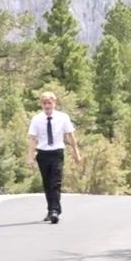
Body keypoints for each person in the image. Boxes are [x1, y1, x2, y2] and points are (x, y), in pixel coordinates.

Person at [27, 92, 82, 223]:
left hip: (57, 152)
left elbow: (70, 135)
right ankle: (50, 209)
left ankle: (55, 211)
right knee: (47, 183)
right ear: (41, 104)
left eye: (49, 103)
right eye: (44, 103)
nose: (47, 106)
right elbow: (32, 138)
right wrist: (30, 156)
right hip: (43, 153)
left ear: (54, 103)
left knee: (55, 182)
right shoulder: (36, 119)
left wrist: (76, 152)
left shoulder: (63, 117)